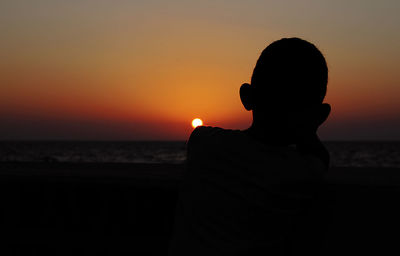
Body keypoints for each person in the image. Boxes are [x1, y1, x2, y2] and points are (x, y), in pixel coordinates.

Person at [169, 37, 331, 255]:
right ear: (319, 115)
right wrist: (307, 125)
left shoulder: (203, 142)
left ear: (247, 97)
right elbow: (319, 156)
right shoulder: (302, 173)